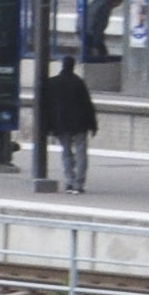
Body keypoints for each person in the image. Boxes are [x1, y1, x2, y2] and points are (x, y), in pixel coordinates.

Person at [41, 54, 98, 193]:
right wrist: (93, 125)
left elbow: (47, 107)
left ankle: (70, 181)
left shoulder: (52, 83)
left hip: (61, 124)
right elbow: (87, 105)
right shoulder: (78, 82)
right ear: (74, 66)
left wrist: (47, 126)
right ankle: (79, 182)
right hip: (80, 123)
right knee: (81, 151)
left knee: (66, 152)